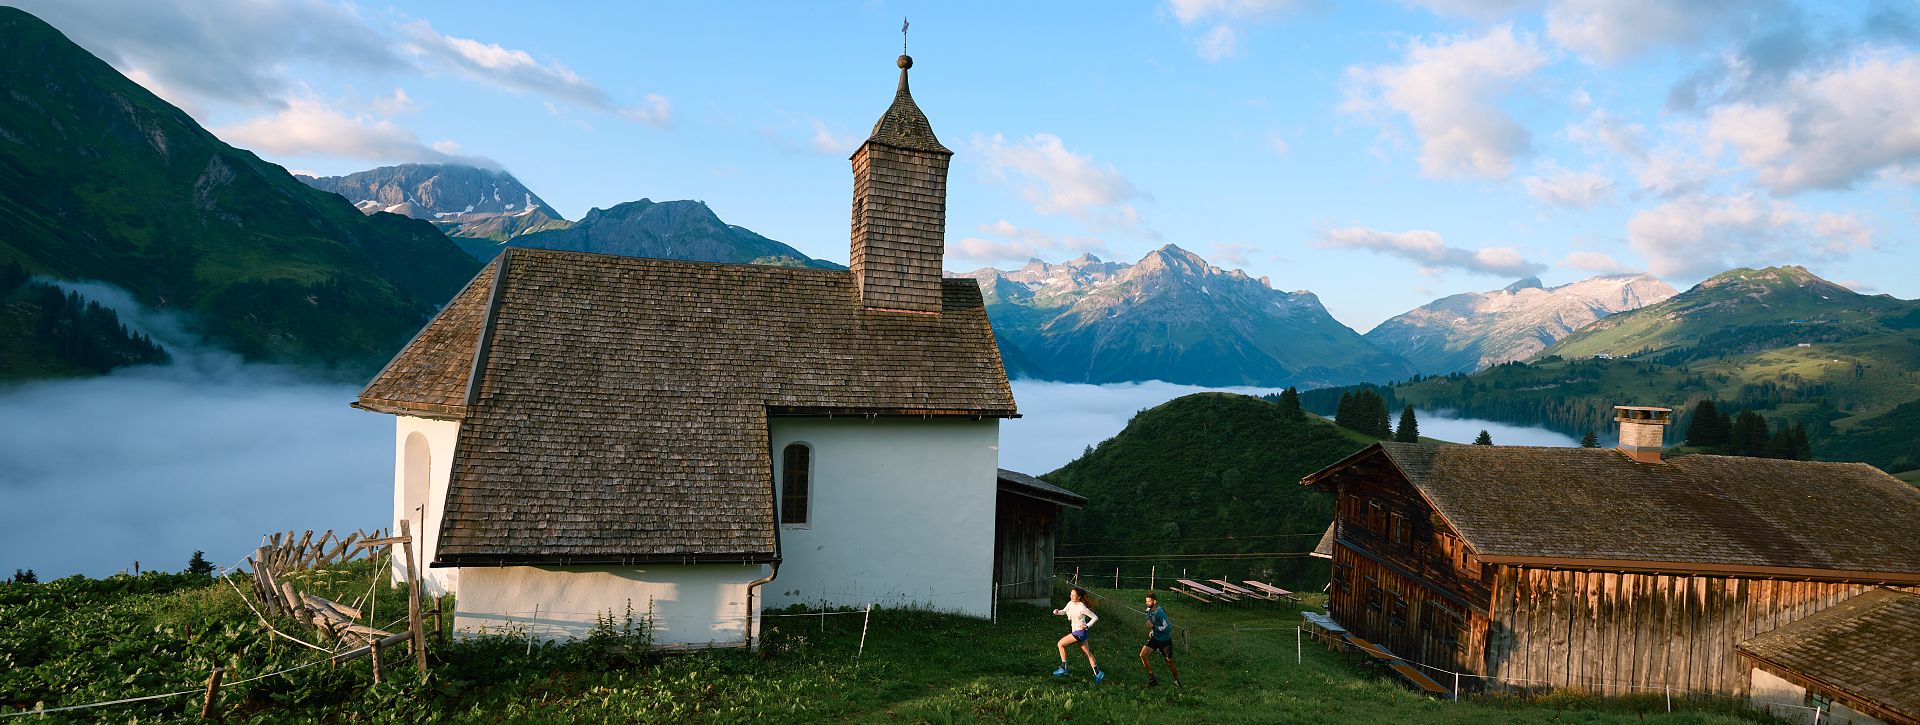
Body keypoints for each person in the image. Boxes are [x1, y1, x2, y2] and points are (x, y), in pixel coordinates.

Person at [1051, 587, 1103, 683]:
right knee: (1087, 653)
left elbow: (1095, 617)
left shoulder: (1082, 607)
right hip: (1077, 632)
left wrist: (1087, 625)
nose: (1071, 596)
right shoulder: (1070, 603)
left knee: (1060, 644)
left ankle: (1064, 667)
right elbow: (1064, 611)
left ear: (1078, 597)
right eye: (1071, 594)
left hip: (1080, 632)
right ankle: (1098, 673)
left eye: (1073, 595)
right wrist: (1058, 612)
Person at [1139, 592, 1181, 687]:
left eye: (1149, 601)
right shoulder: (1149, 610)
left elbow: (1167, 628)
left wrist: (1153, 627)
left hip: (1165, 641)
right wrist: (1153, 631)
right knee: (1143, 655)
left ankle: (1177, 681)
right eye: (1146, 601)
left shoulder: (1160, 612)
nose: (1147, 603)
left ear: (1154, 601)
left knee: (1169, 662)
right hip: (1155, 638)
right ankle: (1152, 678)